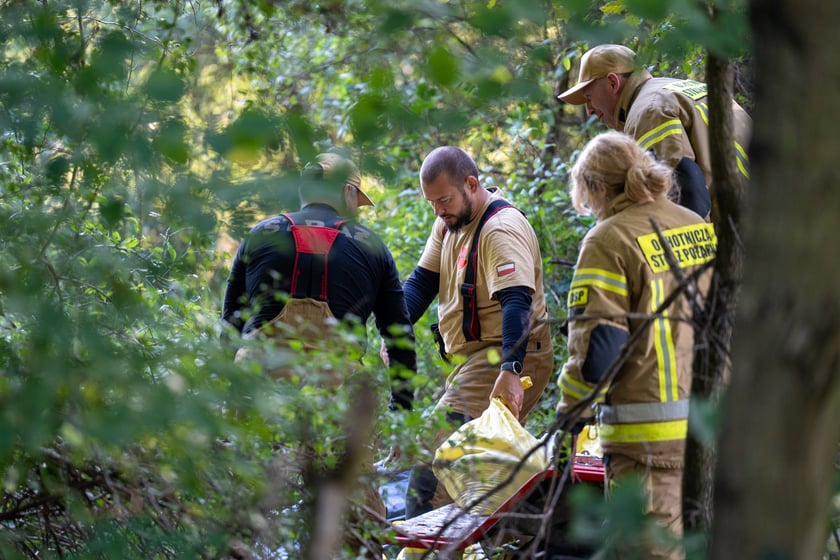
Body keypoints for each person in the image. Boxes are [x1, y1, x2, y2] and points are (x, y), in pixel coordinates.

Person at [221, 152, 417, 558]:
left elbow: (229, 325)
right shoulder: (369, 245)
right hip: (335, 388)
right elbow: (398, 336)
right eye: (357, 198)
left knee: (244, 496)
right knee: (356, 506)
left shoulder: (262, 233)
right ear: (346, 192)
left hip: (259, 385)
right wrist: (402, 410)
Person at [555, 131, 716, 559]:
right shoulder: (695, 226)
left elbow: (600, 350)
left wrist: (570, 418)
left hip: (648, 447)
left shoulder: (609, 239)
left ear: (594, 188)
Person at [400, 146, 554, 519]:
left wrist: (510, 371)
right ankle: (518, 538)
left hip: (511, 355)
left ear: (471, 184)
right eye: (432, 202)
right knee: (486, 469)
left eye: (444, 199)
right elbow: (422, 282)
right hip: (479, 360)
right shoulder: (449, 223)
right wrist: (394, 329)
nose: (438, 209)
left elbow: (517, 301)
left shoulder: (500, 228)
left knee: (437, 464)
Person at [558, 43, 752, 222]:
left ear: (612, 83)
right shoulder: (678, 89)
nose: (589, 110)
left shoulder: (648, 111)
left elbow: (681, 197)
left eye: (589, 97)